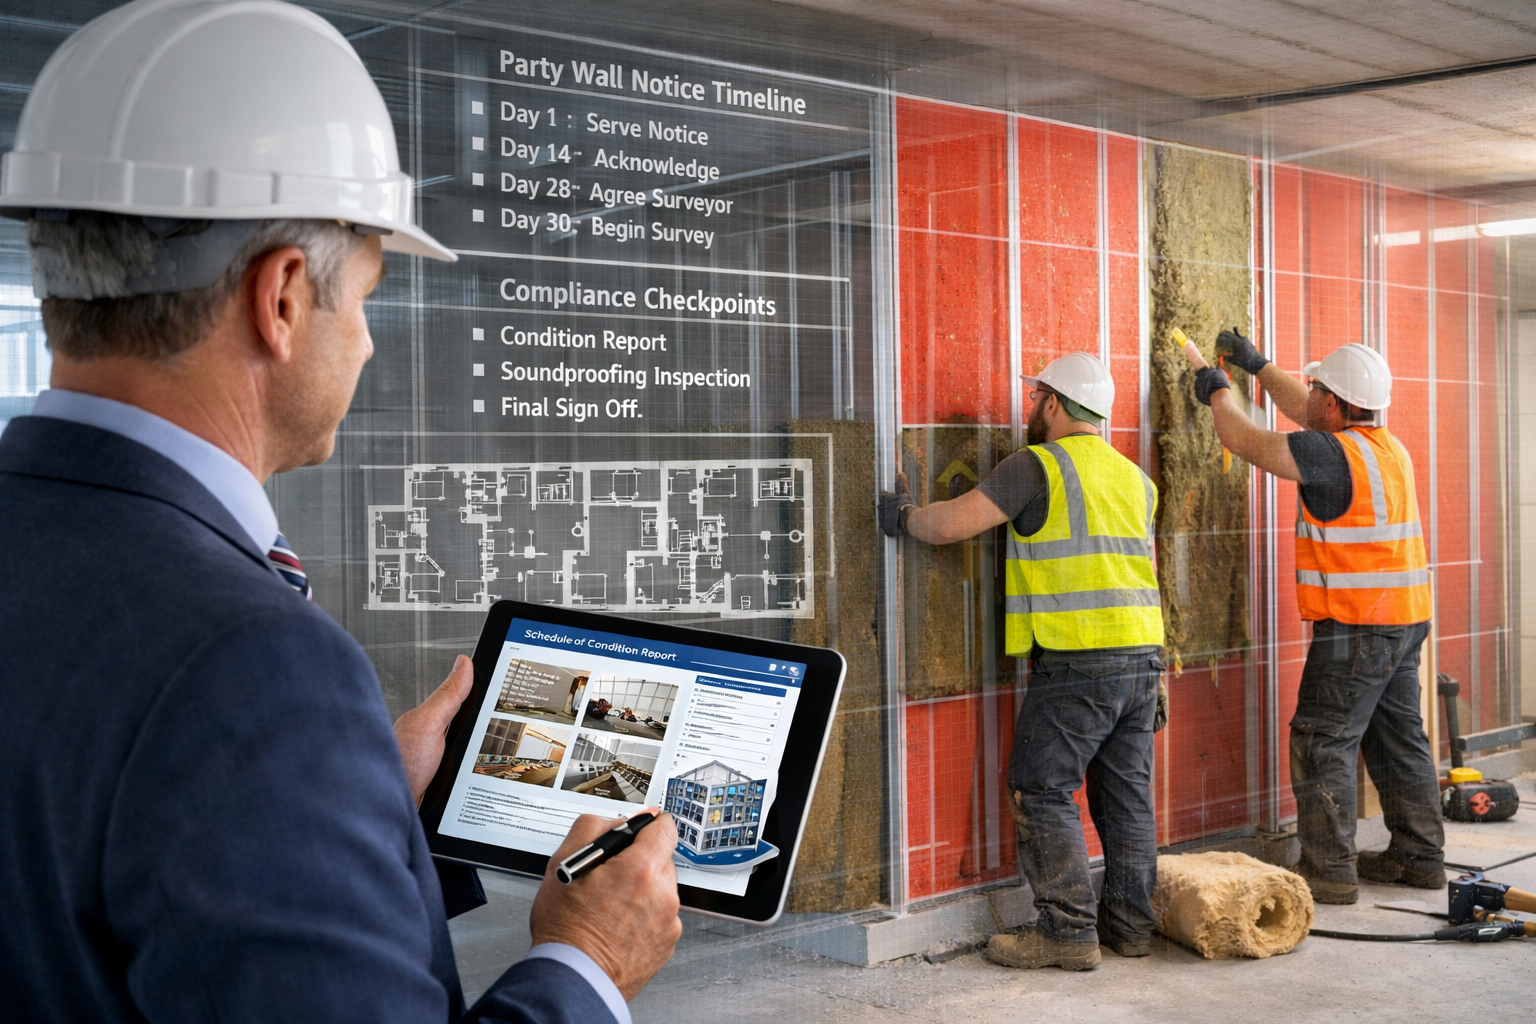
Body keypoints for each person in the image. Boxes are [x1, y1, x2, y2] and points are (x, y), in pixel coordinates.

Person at [0, 2, 680, 1021]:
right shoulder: (250, 668)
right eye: (363, 298)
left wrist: (349, 802)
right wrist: (588, 958)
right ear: (280, 298)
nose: (364, 343)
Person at [878, 352, 1164, 970]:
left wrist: (902, 516)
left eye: (1036, 398)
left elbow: (952, 525)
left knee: (1041, 786)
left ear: (1053, 403)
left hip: (1079, 658)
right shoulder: (1134, 477)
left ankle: (1066, 931)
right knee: (1127, 797)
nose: (1032, 408)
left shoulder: (1038, 465)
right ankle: (1130, 927)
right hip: (1143, 658)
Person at [1183, 332, 1443, 904]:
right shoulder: (1384, 447)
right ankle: (1420, 858)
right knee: (1400, 739)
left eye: (1317, 389)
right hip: (1403, 621)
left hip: (1356, 627)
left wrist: (1218, 389)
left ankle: (1328, 871)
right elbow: (1309, 411)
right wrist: (1259, 367)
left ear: (1334, 402)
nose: (1310, 396)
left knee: (1321, 741)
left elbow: (1243, 440)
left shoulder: (1329, 453)